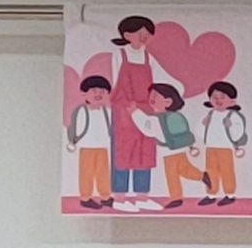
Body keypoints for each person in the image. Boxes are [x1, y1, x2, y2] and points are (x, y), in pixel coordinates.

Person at [108, 15, 186, 206]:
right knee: (123, 150)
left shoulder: (148, 57)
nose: (144, 37)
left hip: (146, 107)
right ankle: (119, 195)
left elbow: (162, 78)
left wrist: (175, 91)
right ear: (127, 35)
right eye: (139, 33)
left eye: (147, 34)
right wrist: (128, 105)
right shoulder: (119, 55)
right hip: (124, 108)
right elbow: (116, 83)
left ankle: (142, 195)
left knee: (145, 150)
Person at [128, 84, 205, 210]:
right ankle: (202, 176)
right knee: (183, 169)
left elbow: (147, 127)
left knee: (172, 174)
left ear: (168, 101)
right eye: (151, 95)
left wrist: (134, 112)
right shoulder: (172, 116)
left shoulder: (158, 118)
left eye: (155, 96)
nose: (151, 98)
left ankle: (176, 197)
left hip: (169, 150)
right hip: (179, 146)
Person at [65, 75, 113, 209]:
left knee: (103, 173)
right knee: (87, 173)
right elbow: (76, 128)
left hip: (102, 147)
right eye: (94, 91)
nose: (98, 94)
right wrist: (73, 141)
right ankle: (85, 198)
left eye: (102, 91)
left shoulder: (108, 111)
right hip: (86, 147)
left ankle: (105, 196)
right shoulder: (81, 110)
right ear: (84, 93)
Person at [199, 80, 247, 208]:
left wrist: (230, 126)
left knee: (227, 171)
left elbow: (239, 132)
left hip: (225, 147)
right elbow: (201, 133)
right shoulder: (210, 114)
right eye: (215, 97)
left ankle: (230, 194)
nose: (218, 100)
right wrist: (203, 125)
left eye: (222, 97)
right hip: (210, 147)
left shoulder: (232, 115)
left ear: (232, 101)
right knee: (210, 171)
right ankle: (211, 194)